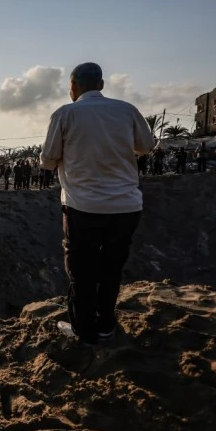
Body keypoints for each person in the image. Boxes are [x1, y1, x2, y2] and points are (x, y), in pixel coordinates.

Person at [40, 62, 154, 345]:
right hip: (126, 207)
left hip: (83, 207)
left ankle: (84, 331)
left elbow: (47, 160)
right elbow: (147, 146)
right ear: (101, 85)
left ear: (73, 87)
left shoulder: (64, 114)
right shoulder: (126, 110)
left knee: (82, 270)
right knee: (111, 267)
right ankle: (106, 324)